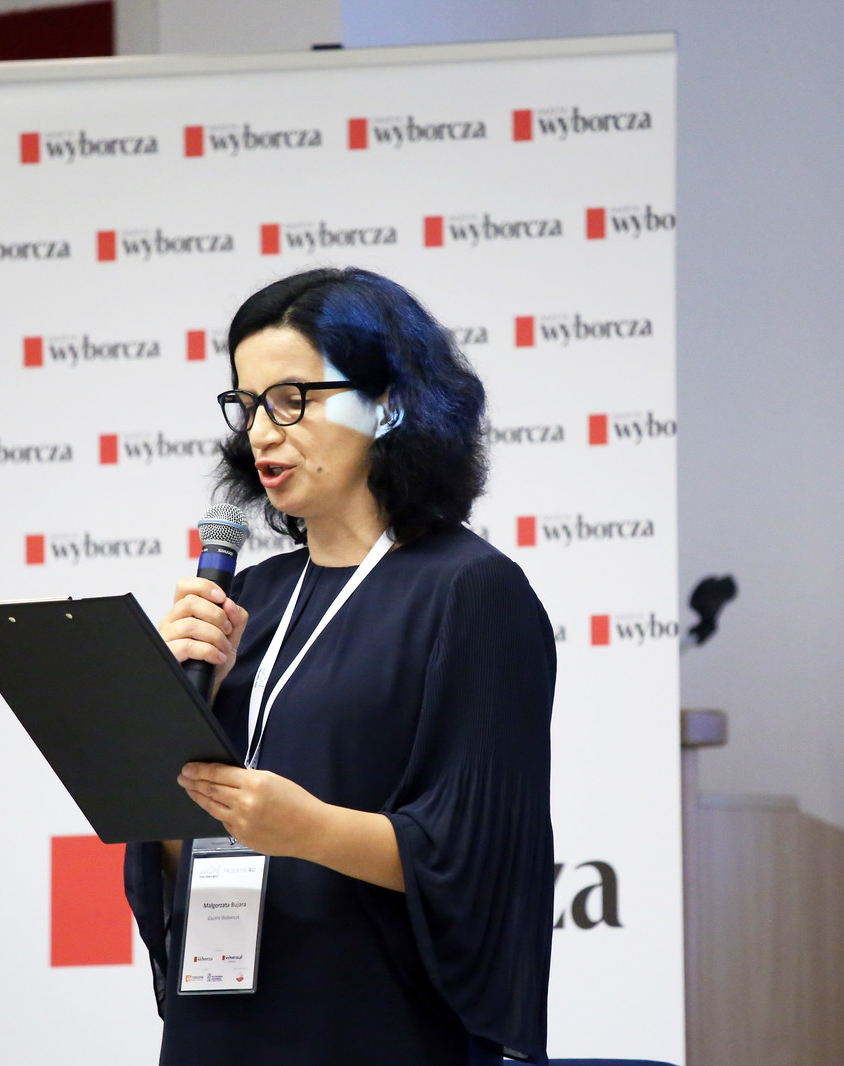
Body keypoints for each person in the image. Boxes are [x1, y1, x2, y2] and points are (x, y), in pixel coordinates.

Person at [123, 268, 556, 1066]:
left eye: (292, 399)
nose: (262, 432)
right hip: (219, 1021)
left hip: (376, 1026)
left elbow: (484, 862)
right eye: (248, 405)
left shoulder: (470, 591)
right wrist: (169, 714)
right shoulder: (244, 598)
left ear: (388, 403)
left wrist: (309, 831)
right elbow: (179, 851)